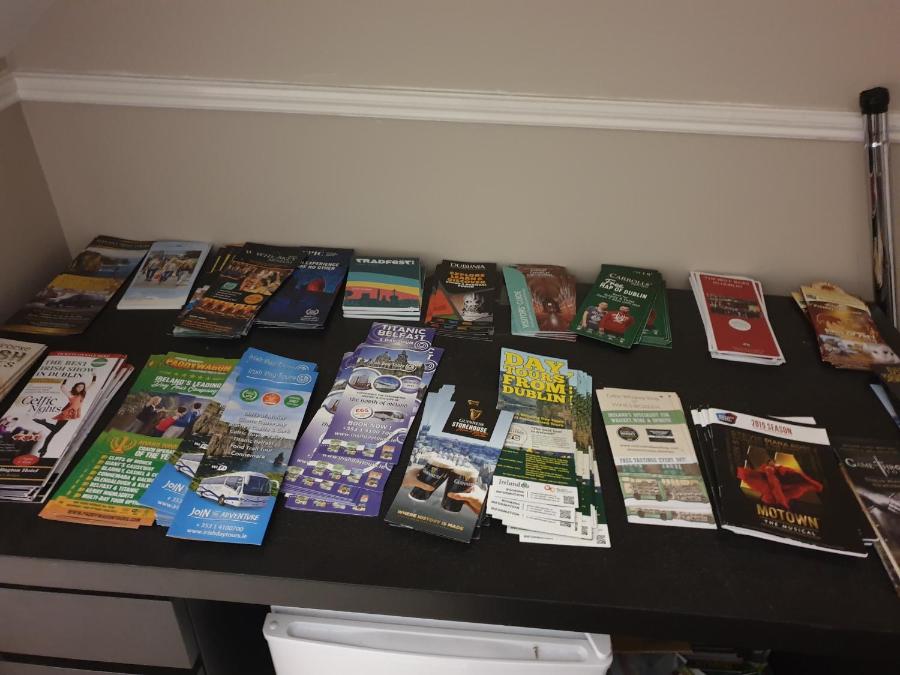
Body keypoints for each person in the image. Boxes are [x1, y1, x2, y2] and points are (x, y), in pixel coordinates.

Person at [33, 376, 96, 457]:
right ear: (75, 387)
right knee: (55, 430)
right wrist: (65, 380)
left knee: (53, 432)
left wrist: (94, 376)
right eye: (78, 386)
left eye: (82, 387)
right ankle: (43, 423)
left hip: (70, 413)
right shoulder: (71, 394)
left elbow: (92, 384)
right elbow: (62, 388)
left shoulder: (82, 394)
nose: (80, 388)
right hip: (67, 413)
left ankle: (44, 448)